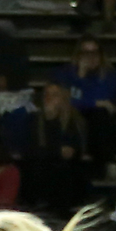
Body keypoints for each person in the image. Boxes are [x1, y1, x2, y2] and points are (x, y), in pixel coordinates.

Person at [51, 35, 116, 163]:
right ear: (78, 55)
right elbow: (63, 102)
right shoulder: (64, 73)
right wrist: (80, 77)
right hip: (71, 122)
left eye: (95, 52)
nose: (91, 57)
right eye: (86, 53)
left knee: (99, 114)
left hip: (97, 124)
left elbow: (105, 101)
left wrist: (86, 101)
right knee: (70, 114)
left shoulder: (110, 75)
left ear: (101, 55)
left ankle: (107, 163)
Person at [21, 81, 89, 217]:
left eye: (54, 95)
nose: (49, 98)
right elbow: (30, 150)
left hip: (66, 176)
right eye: (46, 94)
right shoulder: (33, 120)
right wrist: (56, 150)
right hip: (39, 173)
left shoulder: (74, 121)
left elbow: (75, 150)